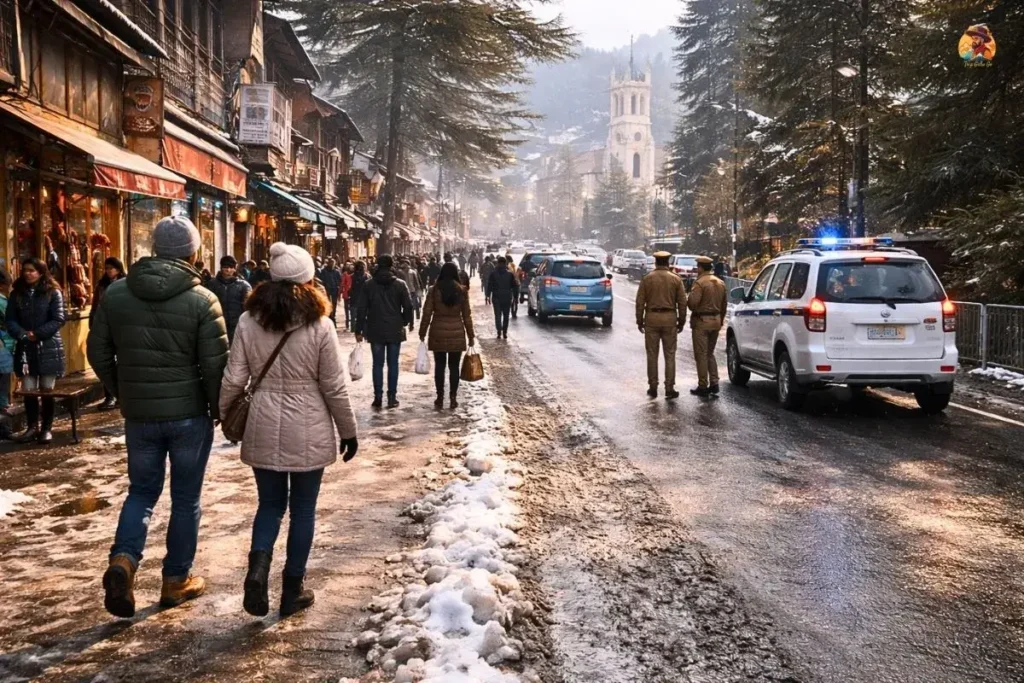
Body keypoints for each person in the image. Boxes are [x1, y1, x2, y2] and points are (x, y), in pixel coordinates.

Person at [87, 215, 229, 618]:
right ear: (192, 252)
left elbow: (97, 351)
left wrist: (123, 389)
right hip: (188, 415)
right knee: (185, 498)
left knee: (141, 491)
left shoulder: (116, 294)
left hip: (140, 415)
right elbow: (215, 364)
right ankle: (175, 579)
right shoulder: (203, 300)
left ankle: (124, 561)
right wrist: (217, 408)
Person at [219, 243, 359, 618]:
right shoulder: (320, 324)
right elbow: (333, 385)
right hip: (309, 425)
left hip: (263, 421)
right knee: (303, 510)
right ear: (308, 279)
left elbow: (235, 376)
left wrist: (225, 415)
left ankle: (257, 569)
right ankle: (292, 588)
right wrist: (348, 431)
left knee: (269, 505)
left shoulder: (249, 320)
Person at [7, 258, 67, 443]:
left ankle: (47, 428)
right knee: (29, 389)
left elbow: (58, 319)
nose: (28, 273)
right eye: (25, 270)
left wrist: (38, 334)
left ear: (41, 272)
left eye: (32, 270)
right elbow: (10, 319)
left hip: (48, 346)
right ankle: (32, 427)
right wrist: (23, 334)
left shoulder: (52, 292)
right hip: (25, 348)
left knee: (47, 390)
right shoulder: (17, 293)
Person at [354, 254, 415, 409]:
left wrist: (358, 329)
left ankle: (378, 397)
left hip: (375, 328)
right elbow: (408, 306)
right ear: (391, 265)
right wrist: (404, 321)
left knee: (377, 364)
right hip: (395, 328)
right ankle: (392, 396)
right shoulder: (400, 284)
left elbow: (361, 309)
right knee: (393, 364)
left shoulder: (369, 285)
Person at [419, 262, 475, 409]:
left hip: (438, 331)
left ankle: (439, 397)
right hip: (457, 332)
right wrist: (471, 336)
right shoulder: (462, 291)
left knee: (440, 366)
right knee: (454, 366)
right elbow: (467, 315)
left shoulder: (434, 290)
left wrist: (422, 332)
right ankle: (453, 397)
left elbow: (427, 312)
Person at [636, 251, 687, 400]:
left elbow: (640, 302)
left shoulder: (647, 279)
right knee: (670, 355)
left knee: (652, 355)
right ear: (668, 262)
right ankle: (669, 388)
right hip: (670, 319)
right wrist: (681, 321)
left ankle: (653, 387)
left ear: (656, 262)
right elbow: (682, 303)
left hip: (651, 319)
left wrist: (640, 320)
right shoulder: (676, 280)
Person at [687, 255, 728, 397]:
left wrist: (689, 295)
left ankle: (703, 385)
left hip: (701, 322)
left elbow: (692, 304)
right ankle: (715, 383)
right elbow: (724, 305)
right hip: (716, 321)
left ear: (700, 267)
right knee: (710, 353)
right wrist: (721, 320)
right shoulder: (720, 282)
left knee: (701, 355)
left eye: (697, 266)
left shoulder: (699, 283)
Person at [90, 257, 126, 410]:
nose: (108, 271)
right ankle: (109, 396)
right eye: (107, 268)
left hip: (121, 327)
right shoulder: (102, 285)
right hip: (104, 326)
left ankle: (121, 395)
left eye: (111, 268)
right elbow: (95, 306)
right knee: (105, 362)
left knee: (122, 363)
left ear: (118, 269)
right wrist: (93, 324)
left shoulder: (126, 284)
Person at [206, 255, 252, 343]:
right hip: (216, 324)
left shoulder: (243, 285)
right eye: (225, 267)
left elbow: (249, 307)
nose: (228, 270)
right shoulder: (212, 284)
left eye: (231, 267)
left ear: (235, 269)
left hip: (237, 324)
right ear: (221, 268)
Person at [486, 256, 518, 340]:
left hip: (496, 297)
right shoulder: (510, 274)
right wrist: (515, 297)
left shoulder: (493, 274)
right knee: (506, 315)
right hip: (507, 297)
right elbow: (515, 286)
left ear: (498, 263)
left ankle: (499, 331)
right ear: (505, 264)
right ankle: (504, 332)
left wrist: (488, 295)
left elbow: (489, 285)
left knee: (498, 315)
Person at [0, 270, 17, 417]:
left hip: (5, 344)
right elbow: (9, 319)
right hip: (3, 345)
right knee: (3, 378)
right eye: (7, 285)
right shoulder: (1, 301)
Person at [319, 258, 342, 324]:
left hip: (334, 290)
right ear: (328, 263)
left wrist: (337, 285)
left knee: (334, 304)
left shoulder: (336, 272)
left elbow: (340, 280)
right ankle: (329, 316)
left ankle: (333, 316)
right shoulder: (324, 271)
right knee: (327, 303)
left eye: (333, 263)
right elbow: (321, 280)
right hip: (327, 290)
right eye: (331, 263)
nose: (332, 264)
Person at [341, 263, 354, 331]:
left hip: (352, 294)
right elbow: (342, 284)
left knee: (351, 309)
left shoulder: (354, 275)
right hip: (346, 294)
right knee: (347, 309)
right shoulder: (345, 274)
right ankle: (347, 324)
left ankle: (351, 324)